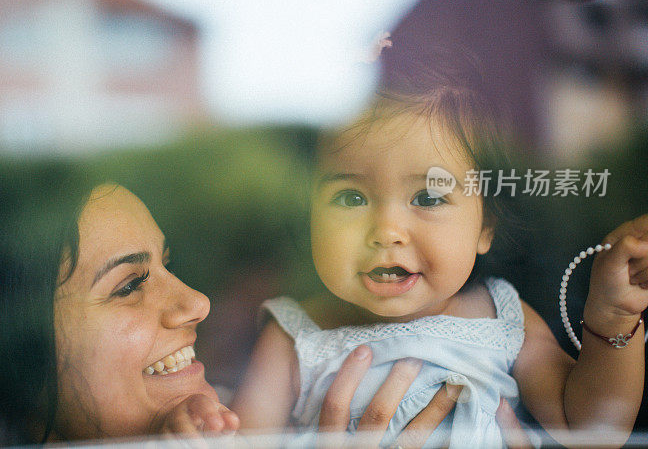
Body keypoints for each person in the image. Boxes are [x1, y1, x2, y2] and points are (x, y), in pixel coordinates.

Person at [230, 46, 648, 448]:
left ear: (485, 228)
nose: (387, 231)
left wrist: (613, 317)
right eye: (351, 198)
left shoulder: (501, 316)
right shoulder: (294, 337)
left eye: (429, 198)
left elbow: (590, 427)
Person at [0, 160, 473, 445]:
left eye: (168, 262)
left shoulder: (252, 417)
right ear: (14, 348)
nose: (197, 302)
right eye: (130, 284)